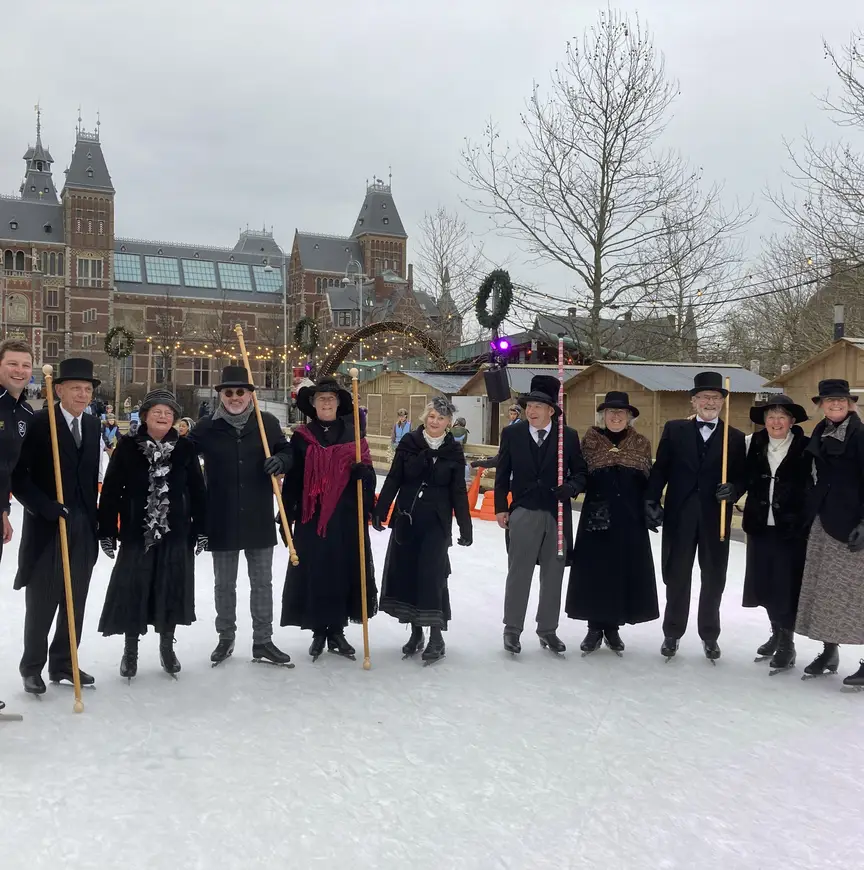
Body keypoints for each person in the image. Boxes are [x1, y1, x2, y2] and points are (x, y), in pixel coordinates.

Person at [97, 389, 208, 679]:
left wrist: (202, 529)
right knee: (134, 588)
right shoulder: (128, 447)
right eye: (157, 412)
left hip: (176, 533)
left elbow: (198, 491)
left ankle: (166, 647)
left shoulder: (185, 449)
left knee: (169, 588)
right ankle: (130, 650)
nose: (163, 416)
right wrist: (107, 530)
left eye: (168, 413)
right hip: (137, 533)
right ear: (145, 416)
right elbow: (110, 491)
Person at [187, 365, 293, 667]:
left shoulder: (266, 423)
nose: (235, 397)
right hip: (222, 516)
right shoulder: (207, 426)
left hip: (258, 515)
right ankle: (226, 637)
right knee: (224, 584)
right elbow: (184, 455)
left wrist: (281, 461)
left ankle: (263, 641)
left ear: (250, 395)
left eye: (240, 392)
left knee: (262, 582)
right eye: (229, 392)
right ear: (221, 394)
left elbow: (288, 452)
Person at [11, 358, 101, 695]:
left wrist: (98, 524)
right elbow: (19, 478)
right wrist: (45, 507)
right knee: (43, 602)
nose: (82, 394)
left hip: (83, 527)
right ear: (58, 389)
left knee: (75, 601)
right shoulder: (38, 423)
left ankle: (63, 662)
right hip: (48, 528)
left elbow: (91, 478)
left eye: (87, 389)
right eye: (75, 388)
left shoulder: (92, 425)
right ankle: (31, 667)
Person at [646, 371, 747, 661]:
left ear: (723, 403)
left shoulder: (735, 438)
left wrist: (734, 489)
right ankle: (672, 632)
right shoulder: (675, 430)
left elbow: (742, 477)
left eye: (716, 398)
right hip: (680, 515)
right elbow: (661, 469)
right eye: (704, 397)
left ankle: (710, 634)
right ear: (693, 401)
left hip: (716, 517)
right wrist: (651, 499)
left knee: (714, 577)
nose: (710, 402)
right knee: (677, 575)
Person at [280, 377, 378, 661]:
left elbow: (368, 477)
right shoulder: (302, 437)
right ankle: (318, 631)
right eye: (321, 398)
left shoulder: (354, 435)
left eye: (331, 398)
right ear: (312, 404)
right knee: (316, 572)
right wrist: (287, 515)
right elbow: (293, 480)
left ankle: (337, 630)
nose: (326, 402)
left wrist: (364, 474)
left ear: (338, 403)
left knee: (343, 571)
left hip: (345, 516)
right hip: (312, 518)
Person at [373, 397, 473, 663]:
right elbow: (394, 477)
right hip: (408, 518)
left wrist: (465, 526)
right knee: (408, 573)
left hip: (436, 523)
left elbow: (458, 491)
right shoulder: (409, 444)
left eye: (441, 418)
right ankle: (416, 632)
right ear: (424, 418)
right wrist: (381, 509)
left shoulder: (453, 450)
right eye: (431, 416)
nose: (435, 422)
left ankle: (436, 636)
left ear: (449, 423)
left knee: (433, 575)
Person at [494, 375, 587, 654]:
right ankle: (512, 629)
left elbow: (582, 473)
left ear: (551, 410)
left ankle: (548, 629)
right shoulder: (512, 434)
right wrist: (501, 506)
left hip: (556, 513)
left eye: (538, 406)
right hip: (523, 510)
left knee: (553, 574)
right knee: (519, 572)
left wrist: (570, 487)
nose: (531, 411)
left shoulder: (566, 437)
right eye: (528, 405)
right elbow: (502, 472)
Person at [566, 392, 658, 654]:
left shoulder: (641, 443)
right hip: (597, 516)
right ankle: (595, 628)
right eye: (610, 412)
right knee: (596, 573)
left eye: (621, 413)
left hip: (630, 518)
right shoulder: (589, 442)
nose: (616, 417)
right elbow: (580, 475)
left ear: (629, 417)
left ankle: (614, 628)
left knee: (622, 571)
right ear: (603, 416)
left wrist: (652, 505)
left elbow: (648, 481)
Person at [796, 379, 864, 688]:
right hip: (823, 521)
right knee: (824, 591)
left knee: (857, 595)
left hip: (851, 526)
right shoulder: (819, 431)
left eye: (840, 400)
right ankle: (829, 651)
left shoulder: (861, 435)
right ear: (821, 405)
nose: (835, 405)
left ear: (850, 404)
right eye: (829, 401)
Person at [741, 395, 811, 673]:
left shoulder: (805, 447)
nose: (776, 422)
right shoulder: (754, 444)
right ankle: (776, 633)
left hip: (790, 529)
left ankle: (787, 644)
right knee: (766, 584)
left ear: (792, 421)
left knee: (786, 586)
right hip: (759, 525)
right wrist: (731, 491)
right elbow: (743, 478)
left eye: (782, 416)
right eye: (771, 417)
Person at [0, 339, 34, 715]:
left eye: (25, 365)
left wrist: (5, 509)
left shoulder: (23, 411)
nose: (20, 370)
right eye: (12, 363)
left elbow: (6, 471)